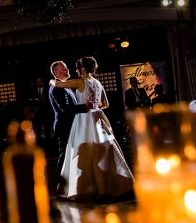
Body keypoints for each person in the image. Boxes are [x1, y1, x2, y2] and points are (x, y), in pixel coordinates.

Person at [50, 56, 134, 200]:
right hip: (97, 116)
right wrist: (94, 106)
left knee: (83, 151)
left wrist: (52, 80)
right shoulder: (97, 82)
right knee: (103, 148)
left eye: (77, 68)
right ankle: (110, 184)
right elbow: (105, 104)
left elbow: (57, 85)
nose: (73, 70)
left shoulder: (79, 81)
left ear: (82, 69)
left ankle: (82, 185)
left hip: (84, 118)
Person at [49, 61, 94, 175]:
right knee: (65, 156)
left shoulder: (65, 86)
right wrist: (85, 107)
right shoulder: (56, 88)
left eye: (66, 67)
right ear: (56, 72)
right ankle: (62, 185)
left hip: (70, 125)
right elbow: (66, 108)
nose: (67, 70)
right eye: (64, 68)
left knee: (70, 155)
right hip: (64, 126)